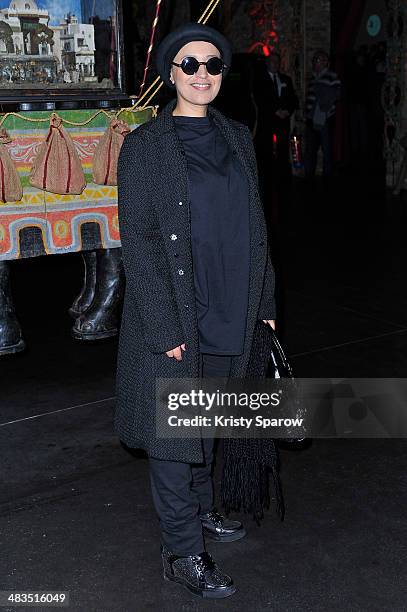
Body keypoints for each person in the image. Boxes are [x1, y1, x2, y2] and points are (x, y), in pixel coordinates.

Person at [115, 22, 276, 599]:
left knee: (207, 417)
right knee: (174, 433)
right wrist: (162, 327)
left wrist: (266, 302)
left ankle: (204, 509)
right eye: (189, 65)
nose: (202, 75)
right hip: (177, 313)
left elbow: (257, 229)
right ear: (169, 73)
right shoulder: (144, 147)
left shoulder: (237, 137)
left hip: (233, 301)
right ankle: (182, 550)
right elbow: (138, 239)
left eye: (213, 65)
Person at [252, 51, 299, 197]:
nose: (275, 64)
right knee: (265, 154)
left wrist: (287, 111)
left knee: (282, 153)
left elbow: (293, 99)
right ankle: (265, 185)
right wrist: (275, 111)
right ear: (267, 62)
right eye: (272, 61)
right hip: (267, 123)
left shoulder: (286, 79)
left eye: (277, 61)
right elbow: (261, 99)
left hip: (282, 123)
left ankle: (281, 184)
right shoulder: (260, 79)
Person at [304, 50, 341, 179]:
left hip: (324, 120)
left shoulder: (332, 76)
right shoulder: (313, 77)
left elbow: (336, 95)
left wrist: (324, 107)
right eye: (314, 60)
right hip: (310, 119)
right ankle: (308, 178)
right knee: (310, 150)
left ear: (325, 62)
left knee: (327, 150)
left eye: (317, 60)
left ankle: (327, 179)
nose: (314, 62)